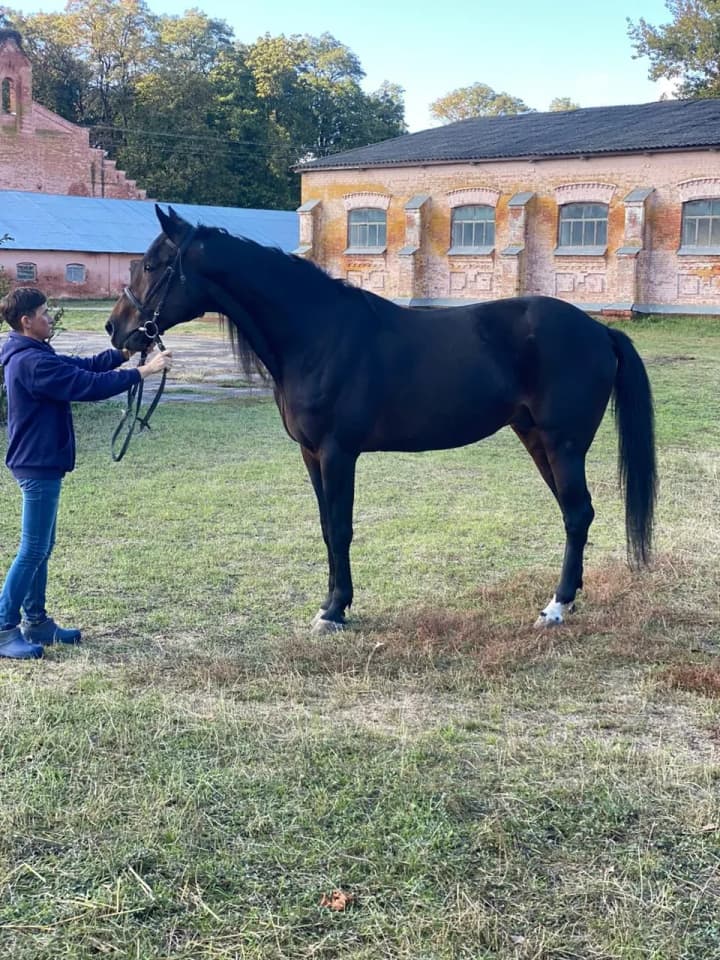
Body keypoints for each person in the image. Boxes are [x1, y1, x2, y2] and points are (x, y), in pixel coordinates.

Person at [0, 287, 172, 660]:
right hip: (37, 462)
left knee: (41, 548)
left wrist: (122, 355)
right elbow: (86, 386)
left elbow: (82, 368)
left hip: (41, 459)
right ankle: (3, 629)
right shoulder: (31, 361)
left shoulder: (31, 352)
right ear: (26, 321)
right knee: (32, 549)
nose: (50, 318)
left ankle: (37, 622)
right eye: (44, 313)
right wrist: (144, 371)